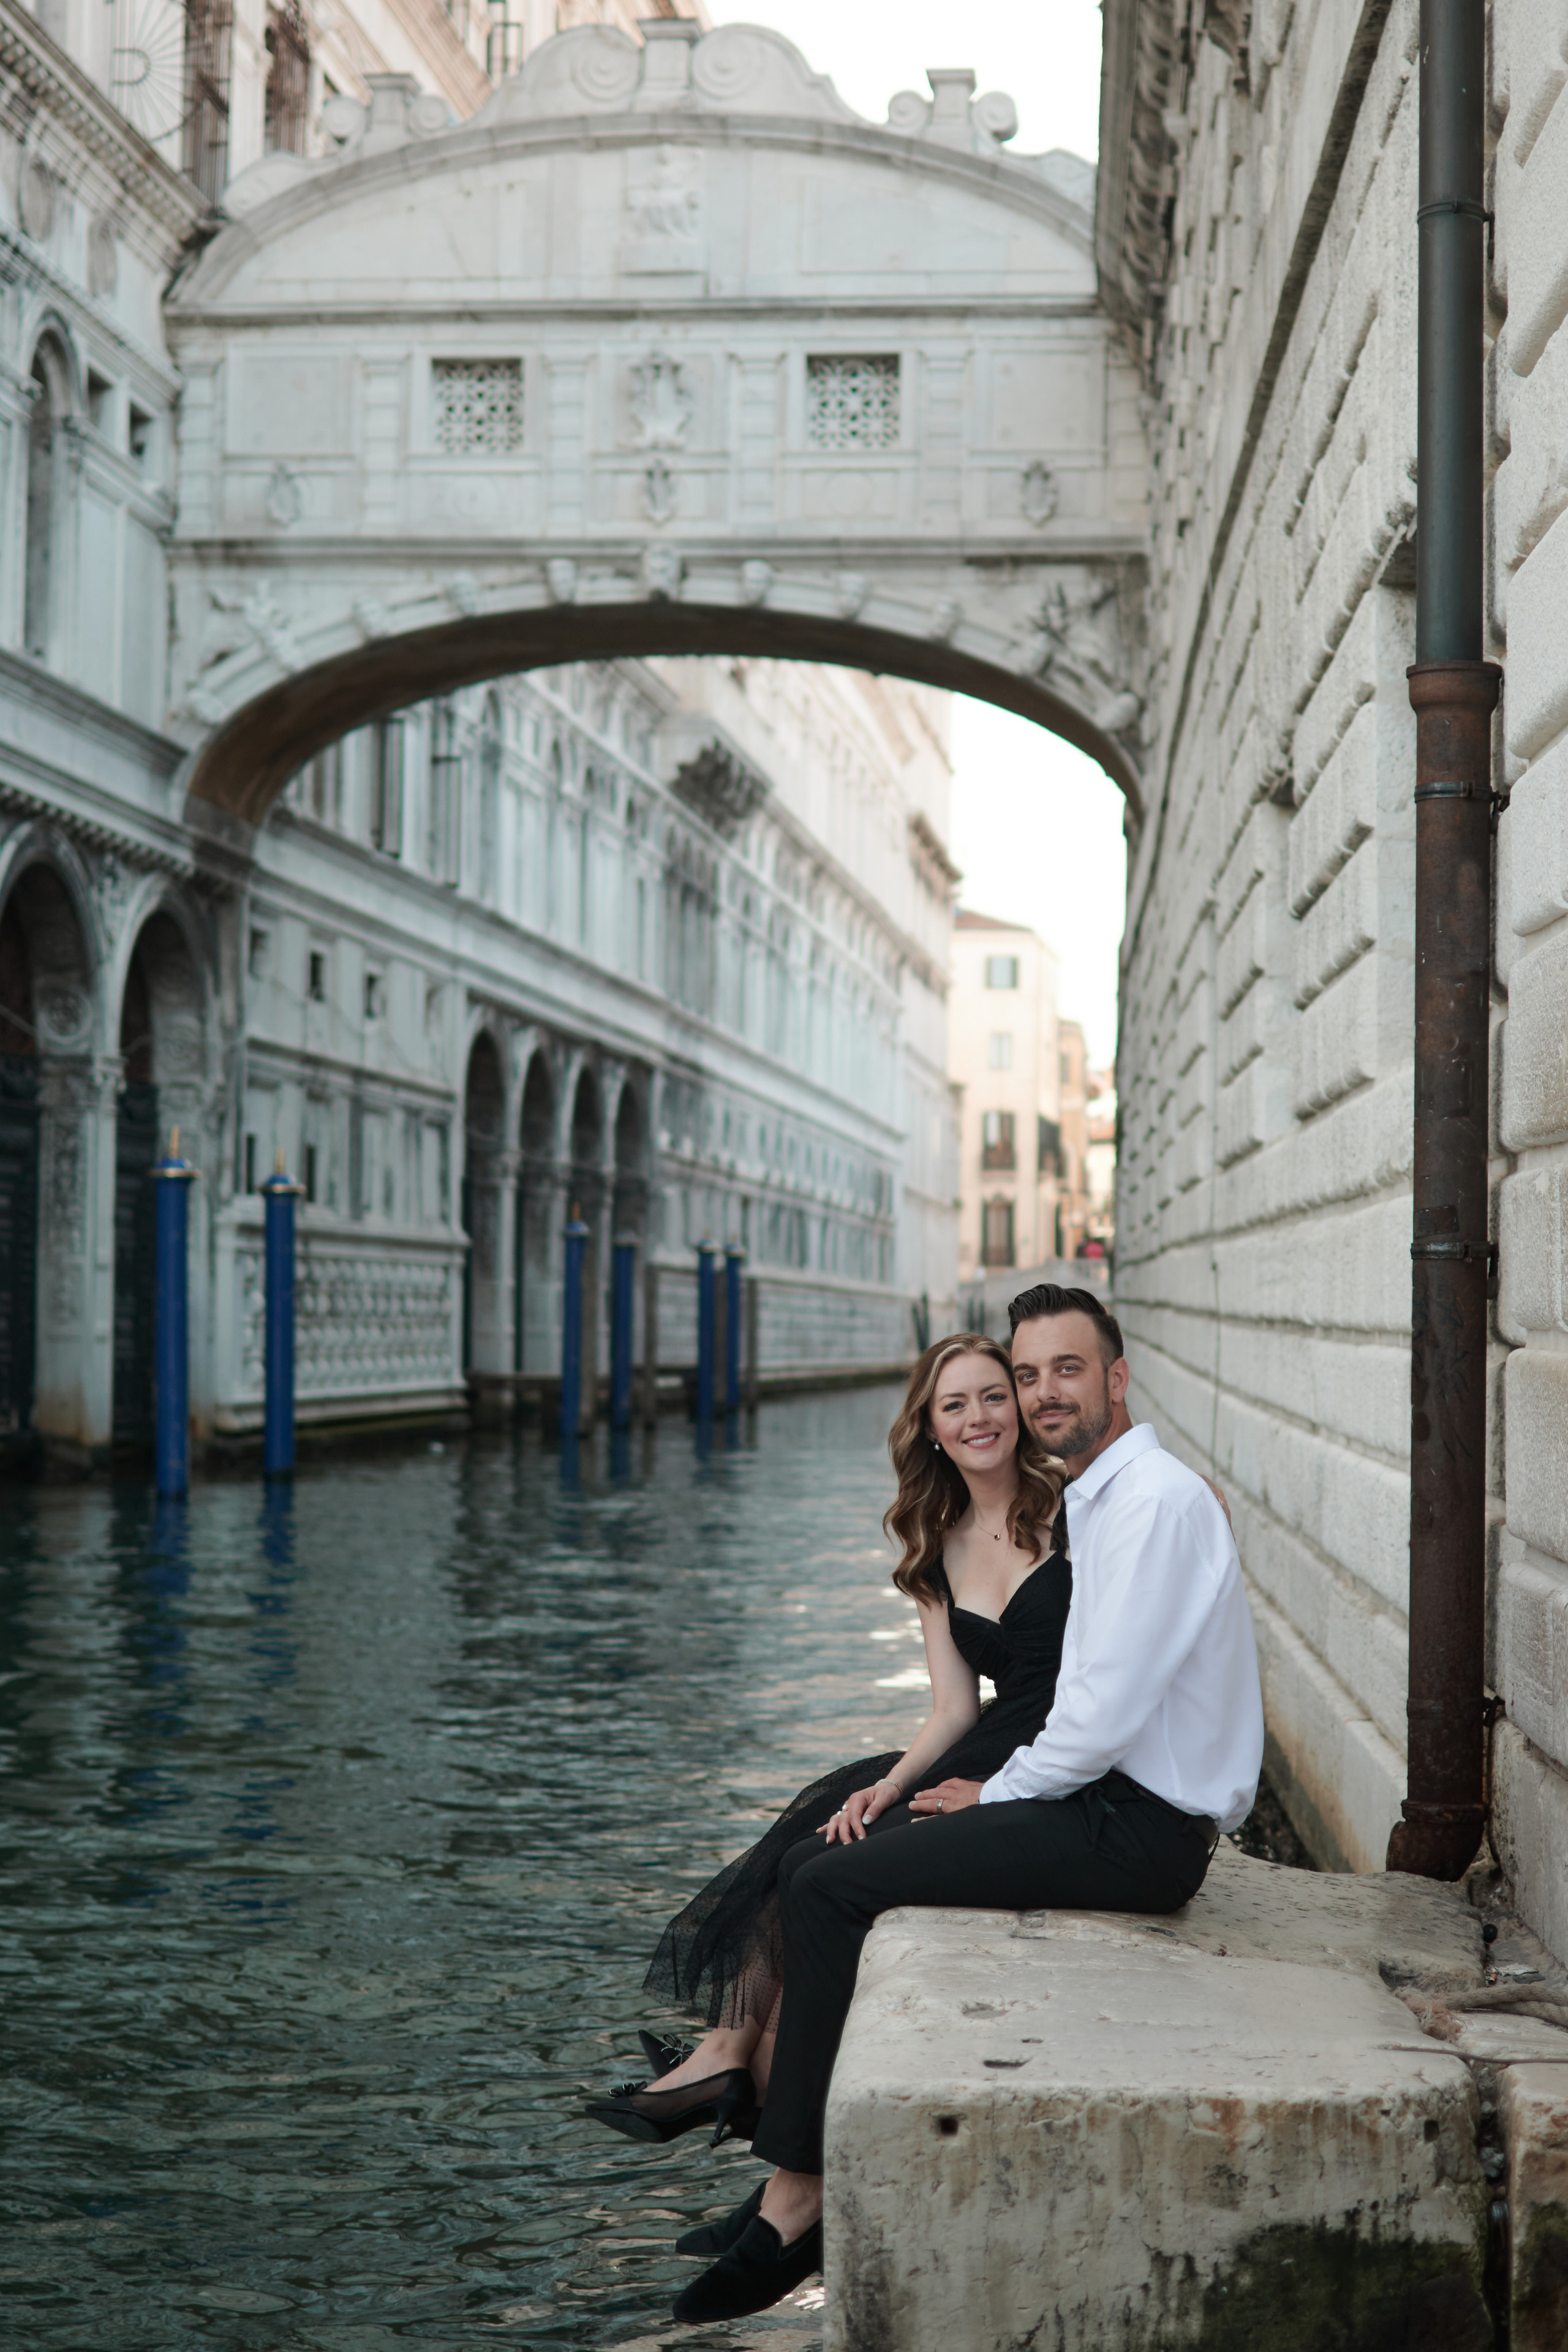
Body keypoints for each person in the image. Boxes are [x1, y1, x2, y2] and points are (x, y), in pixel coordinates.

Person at [669, 1283, 1264, 2326]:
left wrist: (992, 1792)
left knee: (834, 1892)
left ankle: (797, 2198)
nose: (1038, 1396)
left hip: (1135, 1829)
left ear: (1117, 1379)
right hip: (1104, 1804)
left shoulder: (1154, 1502)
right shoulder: (1105, 1497)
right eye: (1026, 1375)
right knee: (820, 1869)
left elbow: (1097, 1714)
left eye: (1062, 1371)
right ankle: (782, 2186)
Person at [584, 1333, 1073, 2195]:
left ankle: (740, 2077)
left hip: (1057, 1746)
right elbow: (956, 1709)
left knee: (828, 1871)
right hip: (988, 1736)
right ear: (928, 1428)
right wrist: (887, 1784)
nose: (978, 1418)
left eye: (993, 1396)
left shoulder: (1076, 1508)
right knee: (817, 1835)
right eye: (954, 1404)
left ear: (1020, 1406)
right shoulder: (935, 1543)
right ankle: (732, 2057)